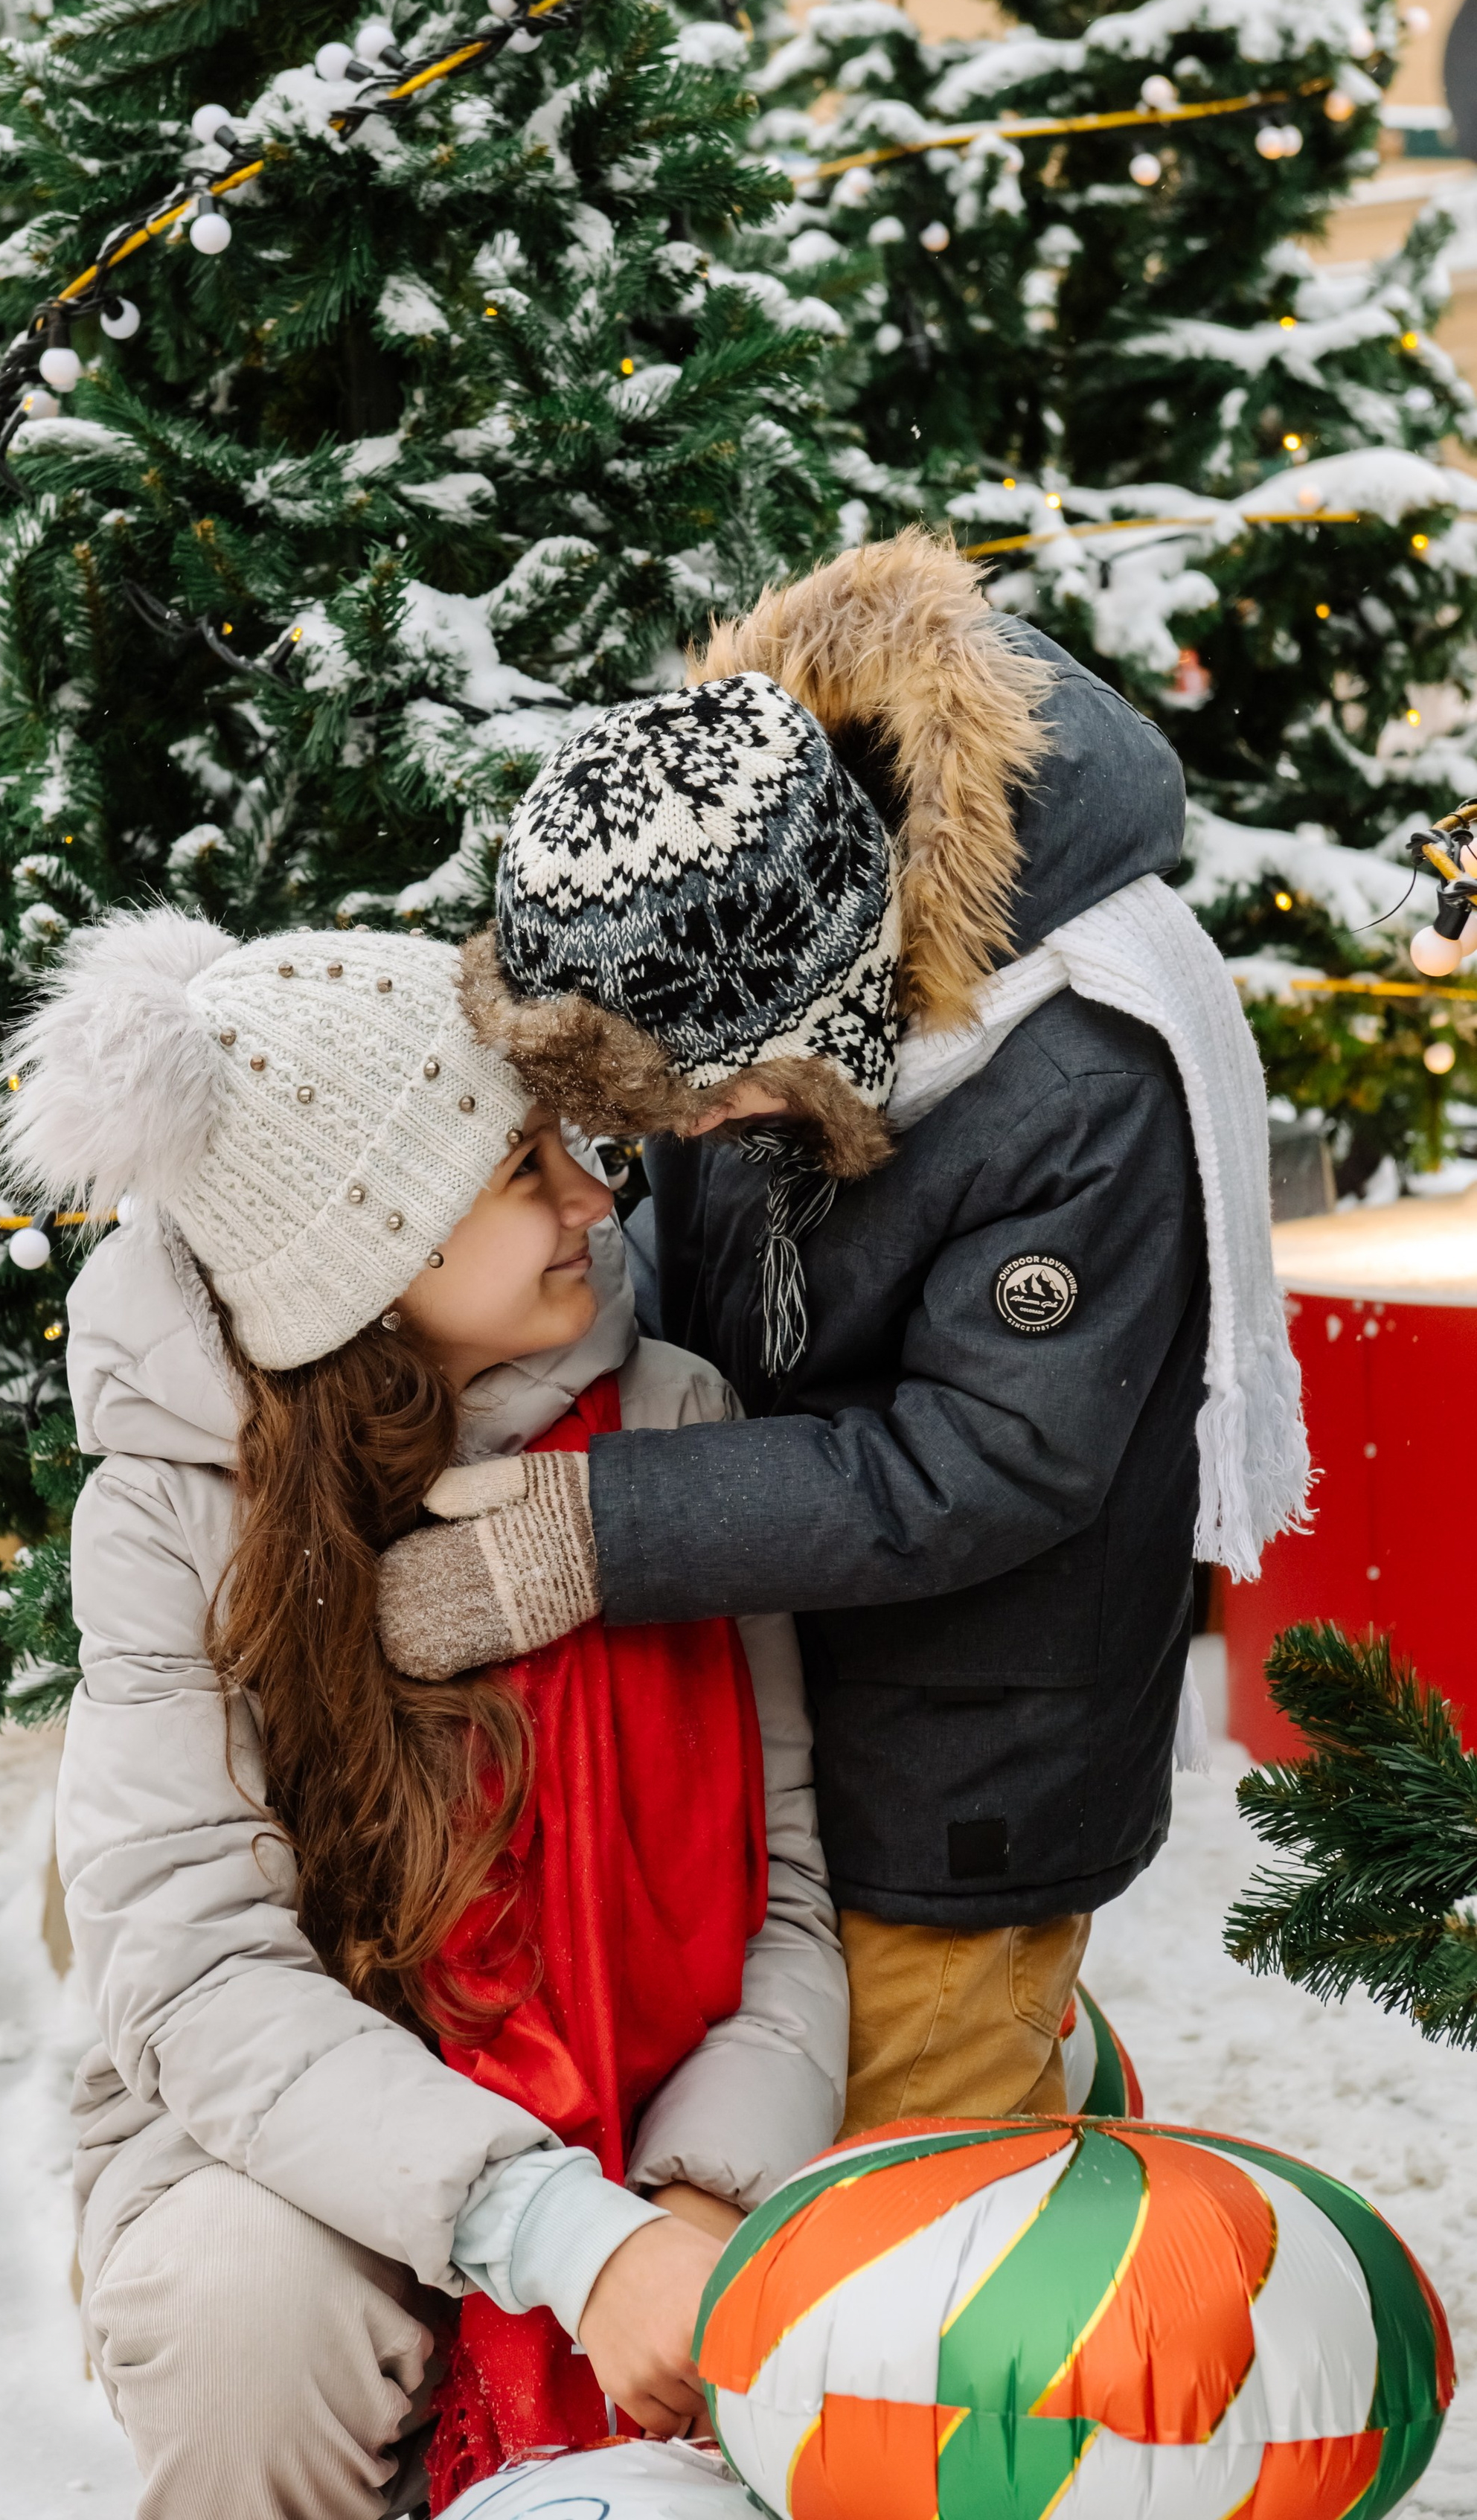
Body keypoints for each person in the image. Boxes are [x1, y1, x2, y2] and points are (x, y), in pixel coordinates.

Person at [377, 530, 1307, 2395]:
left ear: (831, 1014)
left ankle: (1001, 2407)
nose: (683, 1142)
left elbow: (988, 1460)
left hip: (968, 1750)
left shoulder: (1072, 1082)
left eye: (711, 1104)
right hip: (807, 1691)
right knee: (860, 2117)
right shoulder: (765, 950)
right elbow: (716, 1249)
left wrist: (597, 1522)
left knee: (895, 2257)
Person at [0, 911, 848, 2520]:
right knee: (241, 2309)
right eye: (525, 1169)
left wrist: (692, 2200)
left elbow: (784, 1887)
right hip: (279, 2136)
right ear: (362, 1247)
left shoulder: (670, 1424)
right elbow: (190, 1967)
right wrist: (553, 2231)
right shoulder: (177, 1514)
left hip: (664, 2117)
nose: (597, 1199)